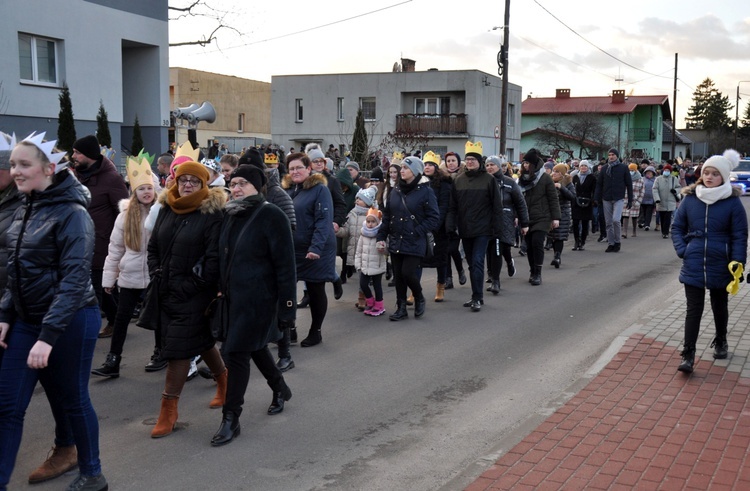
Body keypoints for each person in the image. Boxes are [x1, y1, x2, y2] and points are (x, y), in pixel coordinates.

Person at [0, 133, 107, 491]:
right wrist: (4, 314)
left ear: (48, 169)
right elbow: (17, 269)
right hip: (26, 321)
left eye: (23, 164)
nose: (15, 170)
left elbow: (75, 280)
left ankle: (92, 473)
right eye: (13, 163)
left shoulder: (73, 213)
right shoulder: (25, 206)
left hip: (72, 320)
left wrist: (48, 337)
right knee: (8, 406)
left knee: (73, 399)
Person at [211, 165, 296, 446]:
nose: (236, 189)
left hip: (259, 301)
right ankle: (280, 387)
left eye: (243, 184)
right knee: (254, 347)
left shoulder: (272, 215)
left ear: (257, 187)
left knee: (236, 355)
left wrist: (287, 309)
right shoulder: (230, 213)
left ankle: (230, 418)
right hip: (231, 301)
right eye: (233, 183)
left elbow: (286, 267)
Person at [145, 160, 228, 438]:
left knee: (178, 349)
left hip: (195, 294)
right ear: (175, 182)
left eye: (194, 180)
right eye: (183, 180)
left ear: (204, 184)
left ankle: (168, 410)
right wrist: (156, 271)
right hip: (165, 289)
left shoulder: (212, 213)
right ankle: (224, 381)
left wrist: (192, 285)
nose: (188, 185)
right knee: (202, 341)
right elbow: (154, 245)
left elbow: (214, 257)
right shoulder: (168, 207)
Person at [672, 150, 748, 374]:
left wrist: (737, 262)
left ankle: (721, 340)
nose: (709, 177)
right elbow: (677, 227)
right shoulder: (691, 199)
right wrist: (683, 250)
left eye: (715, 174)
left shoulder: (732, 203)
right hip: (694, 260)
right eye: (706, 172)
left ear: (723, 177)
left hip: (721, 260)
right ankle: (688, 354)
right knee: (693, 309)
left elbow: (739, 236)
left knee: (719, 305)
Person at [92, 152, 159, 379]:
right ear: (134, 192)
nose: (146, 192)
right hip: (129, 274)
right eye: (141, 189)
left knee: (158, 317)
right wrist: (108, 280)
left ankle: (159, 353)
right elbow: (115, 249)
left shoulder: (162, 213)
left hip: (154, 275)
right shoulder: (124, 216)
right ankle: (113, 360)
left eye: (149, 188)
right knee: (121, 319)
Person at [72, 134, 129, 338]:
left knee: (101, 287)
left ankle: (112, 323)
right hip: (80, 241)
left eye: (77, 152)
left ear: (89, 155)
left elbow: (124, 211)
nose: (74, 156)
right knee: (97, 287)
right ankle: (116, 320)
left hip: (103, 242)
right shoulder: (78, 176)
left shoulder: (112, 178)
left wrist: (121, 242)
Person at [282, 153, 339, 346]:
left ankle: (316, 331)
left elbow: (323, 221)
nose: (295, 172)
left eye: (299, 167)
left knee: (315, 289)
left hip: (318, 248)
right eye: (291, 169)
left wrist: (315, 247)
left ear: (308, 169)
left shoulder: (319, 190)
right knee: (286, 289)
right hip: (293, 249)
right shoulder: (288, 191)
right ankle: (290, 329)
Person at [376, 157, 439, 321]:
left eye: (405, 167)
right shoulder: (395, 190)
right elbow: (388, 216)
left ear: (415, 171)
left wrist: (418, 230)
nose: (401, 170)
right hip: (396, 238)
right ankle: (401, 307)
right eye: (401, 167)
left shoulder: (426, 191)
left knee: (408, 273)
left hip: (415, 239)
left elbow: (434, 218)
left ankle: (419, 297)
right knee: (398, 276)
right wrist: (381, 236)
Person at [446, 142, 503, 311]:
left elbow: (497, 207)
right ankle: (476, 294)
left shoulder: (489, 180)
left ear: (479, 161)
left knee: (478, 261)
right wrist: (450, 226)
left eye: (473, 159)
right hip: (465, 229)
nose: (469, 162)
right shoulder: (458, 180)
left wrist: (497, 229)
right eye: (467, 159)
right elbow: (452, 207)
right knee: (471, 264)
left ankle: (477, 297)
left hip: (483, 230)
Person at [485, 155, 528, 293]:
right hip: (486, 221)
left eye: (492, 164)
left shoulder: (509, 183)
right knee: (490, 249)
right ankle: (491, 275)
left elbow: (520, 203)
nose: (489, 167)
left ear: (499, 166)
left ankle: (497, 280)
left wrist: (524, 222)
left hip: (504, 220)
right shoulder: (483, 182)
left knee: (499, 249)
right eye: (487, 165)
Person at [518, 148, 560, 286]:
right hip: (527, 216)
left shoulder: (545, 178)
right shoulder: (522, 179)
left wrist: (555, 218)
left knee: (537, 242)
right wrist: (517, 215)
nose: (525, 166)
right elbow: (517, 199)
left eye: (528, 163)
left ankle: (538, 273)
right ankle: (532, 270)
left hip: (543, 216)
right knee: (529, 245)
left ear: (534, 164)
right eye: (524, 163)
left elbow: (553, 198)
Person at [337, 187, 377, 310]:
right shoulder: (352, 214)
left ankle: (366, 297)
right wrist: (337, 231)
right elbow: (346, 231)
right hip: (355, 251)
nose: (357, 201)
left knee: (365, 276)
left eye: (360, 199)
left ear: (368, 201)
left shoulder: (373, 215)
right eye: (357, 199)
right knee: (361, 275)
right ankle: (364, 297)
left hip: (369, 251)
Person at [422, 152, 453, 301]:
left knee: (440, 259)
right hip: (422, 227)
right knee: (418, 260)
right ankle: (415, 291)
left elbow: (443, 206)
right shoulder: (419, 181)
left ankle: (440, 286)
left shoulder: (444, 183)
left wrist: (434, 226)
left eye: (430, 165)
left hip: (439, 229)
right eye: (425, 165)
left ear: (436, 167)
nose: (427, 167)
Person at [594, 148, 633, 252]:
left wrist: (630, 199)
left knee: (616, 220)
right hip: (606, 198)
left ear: (617, 156)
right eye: (609, 155)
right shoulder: (604, 168)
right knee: (608, 222)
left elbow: (629, 184)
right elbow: (599, 184)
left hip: (618, 198)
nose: (611, 157)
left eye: (613, 155)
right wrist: (596, 198)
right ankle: (611, 243)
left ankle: (617, 241)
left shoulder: (623, 168)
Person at [440, 151, 467, 289]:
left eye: (453, 160)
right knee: (445, 250)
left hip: (457, 218)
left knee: (453, 249)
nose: (450, 163)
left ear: (458, 162)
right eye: (448, 161)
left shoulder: (463, 176)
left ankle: (460, 270)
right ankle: (448, 278)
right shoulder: (442, 177)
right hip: (444, 217)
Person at [355, 208, 387, 316]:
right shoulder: (363, 234)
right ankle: (370, 301)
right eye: (368, 221)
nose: (370, 224)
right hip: (365, 266)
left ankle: (379, 305)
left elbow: (387, 250)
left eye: (373, 222)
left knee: (377, 286)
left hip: (377, 265)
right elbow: (358, 251)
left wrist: (383, 248)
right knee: (363, 284)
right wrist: (358, 264)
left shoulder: (381, 234)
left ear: (378, 222)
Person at [548, 164, 576, 268]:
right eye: (554, 171)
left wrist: (561, 188)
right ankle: (556, 255)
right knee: (553, 235)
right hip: (550, 212)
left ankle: (557, 256)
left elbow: (572, 196)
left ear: (562, 173)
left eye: (557, 171)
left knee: (559, 236)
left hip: (563, 212)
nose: (554, 173)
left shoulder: (568, 182)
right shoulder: (549, 181)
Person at [571, 160, 595, 251]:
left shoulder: (592, 178)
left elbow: (594, 190)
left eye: (585, 166)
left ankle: (583, 242)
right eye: (582, 166)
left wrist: (593, 200)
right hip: (576, 202)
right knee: (576, 222)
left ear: (588, 167)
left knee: (585, 223)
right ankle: (576, 241)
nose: (583, 167)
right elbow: (572, 189)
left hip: (587, 203)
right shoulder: (575, 177)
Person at [652, 164, 681, 239]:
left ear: (670, 171)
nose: (666, 171)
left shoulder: (674, 179)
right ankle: (663, 231)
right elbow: (655, 189)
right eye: (665, 170)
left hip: (670, 201)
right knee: (662, 217)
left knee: (668, 217)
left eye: (668, 170)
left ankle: (666, 232)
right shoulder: (658, 179)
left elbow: (679, 187)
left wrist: (675, 191)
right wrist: (657, 198)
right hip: (661, 201)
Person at [621, 164, 644, 238]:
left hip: (635, 200)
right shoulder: (624, 177)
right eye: (630, 170)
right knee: (625, 215)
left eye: (632, 170)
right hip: (625, 199)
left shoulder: (640, 179)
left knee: (634, 216)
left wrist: (639, 201)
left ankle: (634, 231)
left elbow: (642, 191)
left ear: (636, 170)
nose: (631, 171)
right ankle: (624, 232)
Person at [638, 166, 657, 231]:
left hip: (651, 199)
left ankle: (647, 225)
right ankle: (641, 222)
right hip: (642, 199)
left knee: (649, 213)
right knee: (642, 212)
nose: (648, 174)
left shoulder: (655, 180)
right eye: (647, 172)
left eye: (650, 173)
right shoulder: (642, 179)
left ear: (653, 173)